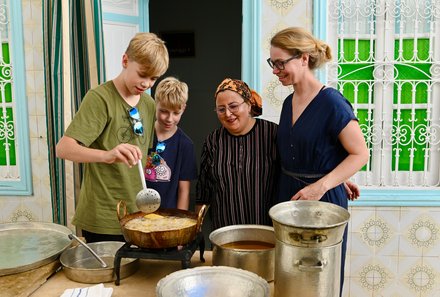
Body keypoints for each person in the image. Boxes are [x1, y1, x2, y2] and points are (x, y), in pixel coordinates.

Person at [268, 27, 369, 295]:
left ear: (303, 59)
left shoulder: (333, 103)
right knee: (290, 281)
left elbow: (360, 153)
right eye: (272, 63)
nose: (275, 70)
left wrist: (322, 185)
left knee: (318, 282)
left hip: (321, 204)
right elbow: (308, 148)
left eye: (280, 63)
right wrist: (339, 175)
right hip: (289, 197)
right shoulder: (289, 102)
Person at [56, 32, 169, 243]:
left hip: (138, 214)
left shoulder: (149, 104)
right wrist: (108, 155)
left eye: (153, 78)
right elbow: (63, 148)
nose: (146, 84)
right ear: (125, 60)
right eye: (143, 74)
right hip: (104, 216)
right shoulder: (99, 99)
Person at [196, 78, 279, 231]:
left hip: (267, 232)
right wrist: (197, 228)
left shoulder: (272, 134)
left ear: (248, 105)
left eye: (233, 106)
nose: (228, 114)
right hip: (226, 232)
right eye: (221, 109)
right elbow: (204, 190)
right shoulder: (213, 141)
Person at [145, 77, 197, 210]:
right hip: (139, 213)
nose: (169, 119)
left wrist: (180, 224)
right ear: (155, 104)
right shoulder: (142, 135)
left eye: (176, 113)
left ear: (183, 109)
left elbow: (184, 191)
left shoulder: (186, 145)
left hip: (169, 217)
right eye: (164, 111)